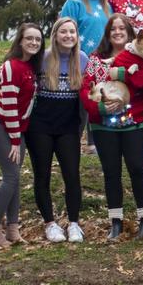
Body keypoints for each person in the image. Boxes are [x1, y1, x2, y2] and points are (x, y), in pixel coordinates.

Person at [81, 14, 143, 241]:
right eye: (113, 29)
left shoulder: (142, 55)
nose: (117, 32)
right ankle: (116, 221)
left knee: (137, 168)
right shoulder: (96, 59)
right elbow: (86, 89)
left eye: (122, 28)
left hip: (136, 121)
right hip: (104, 125)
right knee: (111, 172)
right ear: (107, 33)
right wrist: (100, 108)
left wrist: (122, 74)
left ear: (130, 33)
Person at [26, 17, 87, 243]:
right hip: (40, 126)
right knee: (42, 175)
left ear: (77, 36)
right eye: (64, 32)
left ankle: (74, 224)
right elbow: (15, 69)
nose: (68, 36)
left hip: (68, 127)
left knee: (72, 174)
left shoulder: (82, 59)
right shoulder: (41, 58)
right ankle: (50, 224)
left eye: (72, 32)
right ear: (55, 35)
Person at [0, 22, 42, 246]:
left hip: (17, 129)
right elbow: (9, 106)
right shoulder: (11, 66)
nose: (34, 42)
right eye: (29, 38)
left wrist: (18, 135)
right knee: (10, 177)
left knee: (15, 177)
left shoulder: (30, 66)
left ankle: (13, 230)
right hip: (0, 125)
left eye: (37, 39)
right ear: (20, 41)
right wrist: (15, 140)